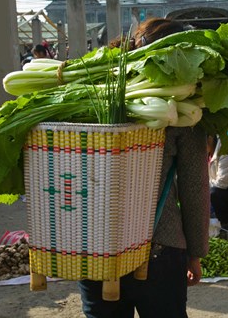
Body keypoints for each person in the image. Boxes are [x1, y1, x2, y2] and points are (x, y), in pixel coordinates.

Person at [77, 18, 210, 318]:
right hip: (160, 248)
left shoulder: (89, 98)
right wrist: (196, 253)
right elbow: (194, 188)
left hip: (96, 247)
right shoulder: (182, 110)